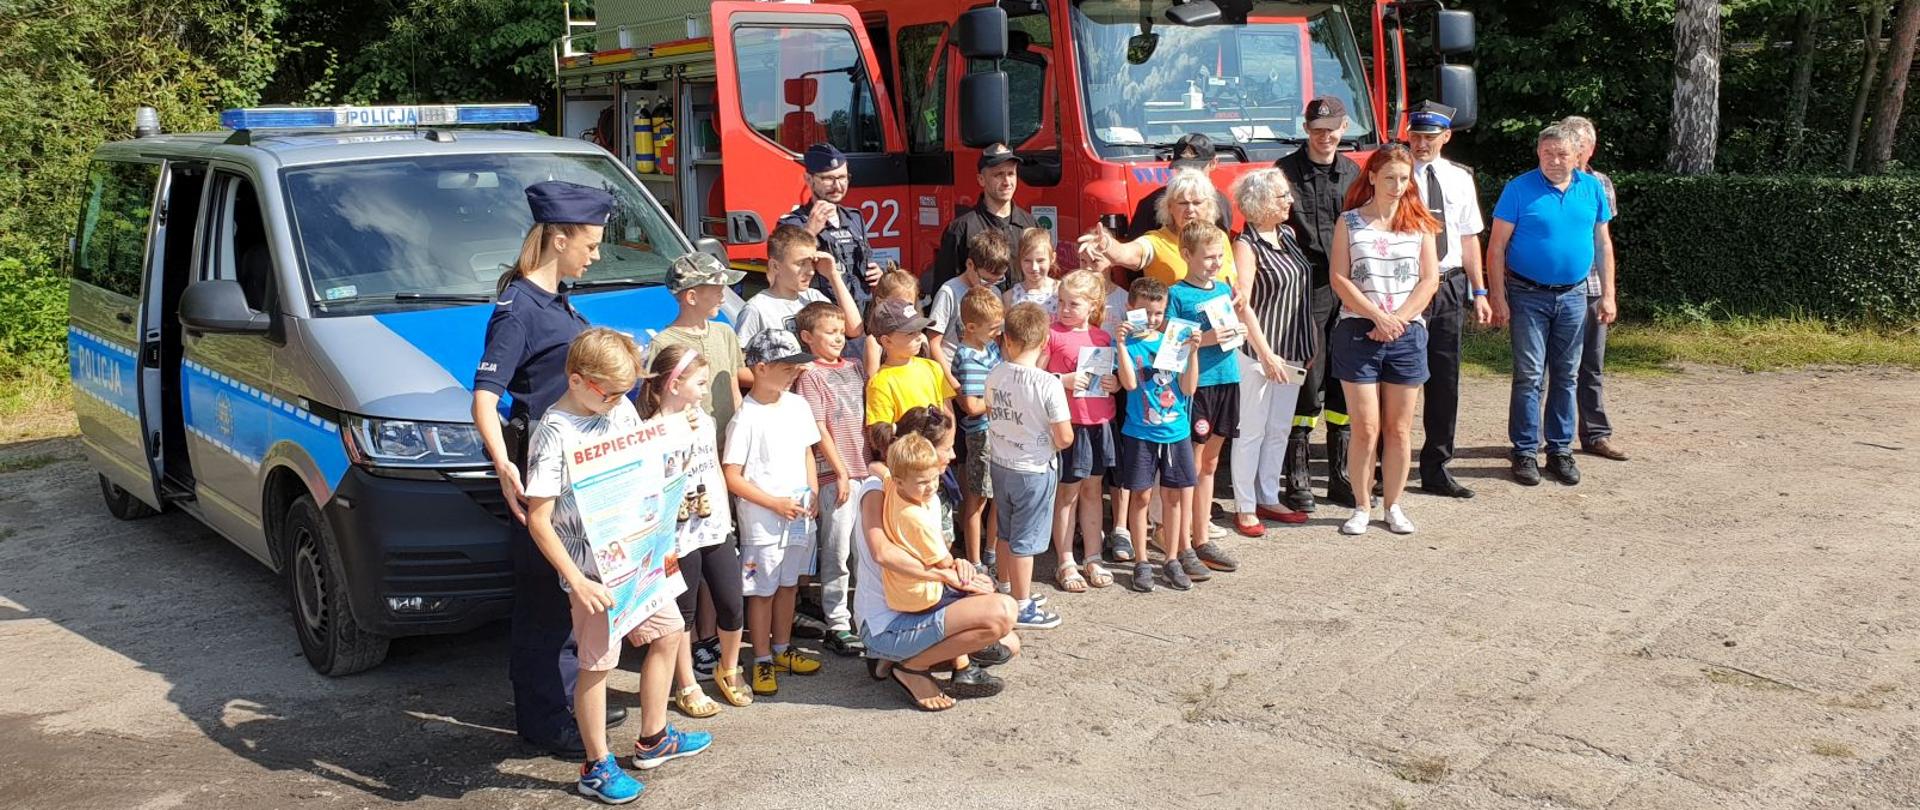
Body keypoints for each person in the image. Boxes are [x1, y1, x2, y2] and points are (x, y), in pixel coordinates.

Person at [522, 327, 712, 803]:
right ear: (578, 379)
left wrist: (672, 434)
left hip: (638, 557)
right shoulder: (554, 433)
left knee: (669, 633)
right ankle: (596, 764)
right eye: (609, 394)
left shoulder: (619, 405)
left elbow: (641, 455)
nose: (616, 403)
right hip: (592, 574)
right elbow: (538, 520)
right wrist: (576, 582)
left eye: (623, 393)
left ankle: (654, 737)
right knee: (598, 664)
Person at [472, 180, 621, 757]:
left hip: (577, 470)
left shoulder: (558, 301)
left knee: (567, 598)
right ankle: (543, 719)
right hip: (543, 472)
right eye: (591, 242)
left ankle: (566, 710)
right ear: (559, 238)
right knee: (543, 603)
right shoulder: (518, 309)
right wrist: (505, 464)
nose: (597, 253)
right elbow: (486, 396)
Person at [1487, 124, 1616, 487]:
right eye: (1547, 154)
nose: (1555, 161)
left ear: (1578, 156)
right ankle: (1525, 450)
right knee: (1529, 375)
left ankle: (1560, 450)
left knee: (1567, 374)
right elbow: (1496, 247)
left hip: (1575, 295)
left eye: (1562, 154)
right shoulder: (1518, 189)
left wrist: (1608, 294)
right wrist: (1497, 296)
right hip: (1527, 295)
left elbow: (1603, 244)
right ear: (1538, 154)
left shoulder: (1592, 188)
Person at [854, 431, 1019, 712]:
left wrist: (958, 568)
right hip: (886, 621)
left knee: (1008, 641)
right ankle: (911, 667)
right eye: (948, 448)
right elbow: (883, 552)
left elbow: (876, 467)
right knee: (1000, 612)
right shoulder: (885, 496)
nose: (953, 455)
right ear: (902, 475)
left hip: (913, 605)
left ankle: (897, 659)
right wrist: (949, 574)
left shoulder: (902, 487)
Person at [1328, 145, 1441, 536]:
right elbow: (1339, 278)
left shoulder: (1420, 224)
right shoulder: (1350, 221)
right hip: (1358, 331)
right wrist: (1376, 316)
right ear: (1372, 176)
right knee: (1366, 427)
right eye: (1390, 177)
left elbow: (1429, 280)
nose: (1397, 186)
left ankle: (1393, 505)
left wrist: (1397, 321)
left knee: (1398, 429)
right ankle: (1361, 504)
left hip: (1406, 334)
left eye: (1404, 178)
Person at [634, 345, 750, 714]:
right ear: (673, 383)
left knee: (731, 602)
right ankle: (686, 683)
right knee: (682, 613)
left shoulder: (705, 420)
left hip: (714, 524)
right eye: (698, 383)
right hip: (676, 533)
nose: (703, 391)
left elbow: (713, 466)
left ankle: (729, 667)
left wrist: (726, 512)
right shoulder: (649, 431)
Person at [723, 328, 826, 696]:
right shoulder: (746, 417)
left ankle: (782, 648)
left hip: (798, 518)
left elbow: (806, 453)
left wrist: (812, 491)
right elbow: (732, 476)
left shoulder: (797, 405)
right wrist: (774, 504)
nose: (796, 372)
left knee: (787, 587)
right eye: (788, 366)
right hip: (764, 524)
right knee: (762, 591)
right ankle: (762, 658)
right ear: (761, 368)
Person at [1274, 96, 1364, 512]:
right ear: (1306, 128)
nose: (1324, 137)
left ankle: (1342, 477)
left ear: (1343, 128)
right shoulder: (1284, 173)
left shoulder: (1354, 174)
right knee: (1307, 382)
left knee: (1345, 379)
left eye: (1331, 129)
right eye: (1317, 129)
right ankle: (1298, 477)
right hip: (1305, 288)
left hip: (1347, 287)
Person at [1406, 100, 1491, 499]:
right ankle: (1383, 465)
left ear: (1446, 136)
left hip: (1450, 284)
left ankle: (1437, 467)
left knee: (1445, 380)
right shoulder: (1394, 174)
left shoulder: (1459, 179)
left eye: (1429, 136)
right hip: (1404, 287)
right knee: (1397, 378)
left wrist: (1480, 290)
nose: (1421, 143)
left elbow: (1469, 237)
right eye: (1415, 135)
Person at [1226, 168, 1317, 536]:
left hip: (1293, 346)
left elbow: (1301, 293)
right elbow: (1242, 303)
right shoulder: (1245, 245)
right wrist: (1265, 353)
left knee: (1279, 428)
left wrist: (1306, 343)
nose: (1289, 201)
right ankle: (1245, 505)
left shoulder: (1289, 235)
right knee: (1250, 429)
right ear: (1260, 202)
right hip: (1257, 349)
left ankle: (1268, 494)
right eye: (1281, 196)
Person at [1163, 222, 1246, 576]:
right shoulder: (1177, 294)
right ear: (1186, 255)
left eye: (1219, 256)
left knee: (1210, 463)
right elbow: (1170, 345)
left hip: (1229, 378)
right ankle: (1181, 543)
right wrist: (1207, 338)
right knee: (1191, 465)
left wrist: (1237, 330)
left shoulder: (1225, 288)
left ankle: (1201, 536)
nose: (1215, 263)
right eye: (1208, 257)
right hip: (1198, 385)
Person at [1113, 277, 1204, 592]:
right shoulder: (1128, 343)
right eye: (1145, 312)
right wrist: (1122, 345)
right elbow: (1129, 384)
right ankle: (1140, 560)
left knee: (1174, 496)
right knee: (1140, 495)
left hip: (1175, 431)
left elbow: (1189, 388)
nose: (1152, 319)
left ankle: (1171, 558)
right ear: (1131, 309)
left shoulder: (1174, 341)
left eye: (1158, 312)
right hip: (1139, 431)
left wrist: (1193, 353)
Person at [986, 302, 1073, 629]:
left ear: (1006, 339)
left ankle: (1007, 589)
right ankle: (1022, 606)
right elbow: (1064, 437)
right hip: (1034, 469)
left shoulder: (996, 373)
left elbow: (992, 410)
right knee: (1026, 540)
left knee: (1006, 532)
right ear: (1044, 341)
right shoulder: (1047, 383)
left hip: (1001, 462)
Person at [791, 302, 870, 658]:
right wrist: (838, 471)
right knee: (837, 550)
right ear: (807, 337)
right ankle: (838, 621)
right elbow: (817, 426)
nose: (839, 338)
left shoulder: (854, 367)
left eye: (840, 332)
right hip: (834, 475)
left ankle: (866, 614)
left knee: (863, 549)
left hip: (865, 469)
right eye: (829, 332)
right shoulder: (809, 374)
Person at [1044, 270, 1121, 593]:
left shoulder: (1102, 338)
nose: (1064, 309)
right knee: (1067, 493)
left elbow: (1115, 379)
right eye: (1061, 302)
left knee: (1093, 491)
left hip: (1099, 421)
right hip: (1069, 424)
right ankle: (1065, 559)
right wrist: (1064, 380)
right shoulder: (1051, 334)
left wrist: (1113, 384)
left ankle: (1092, 555)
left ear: (1093, 305)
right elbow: (1035, 374)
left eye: (1073, 304)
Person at [1559, 115, 1628, 463]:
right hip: (1553, 290)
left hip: (1591, 286)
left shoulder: (1600, 183)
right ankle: (1542, 439)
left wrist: (1608, 293)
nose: (1583, 151)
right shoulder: (1542, 182)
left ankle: (1596, 434)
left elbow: (1604, 242)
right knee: (1544, 369)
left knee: (1591, 365)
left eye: (1585, 145)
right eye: (1578, 145)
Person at [1076, 167, 1238, 289]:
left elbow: (1233, 283)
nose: (1190, 209)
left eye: (1197, 203)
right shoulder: (1155, 242)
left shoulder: (1220, 238)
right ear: (1169, 207)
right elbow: (1127, 254)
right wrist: (1107, 245)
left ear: (1209, 206)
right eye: (1182, 203)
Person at [644, 253, 748, 434]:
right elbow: (654, 401)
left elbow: (734, 389)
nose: (723, 298)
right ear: (691, 297)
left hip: (729, 441)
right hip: (689, 445)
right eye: (717, 292)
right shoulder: (662, 343)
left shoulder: (725, 333)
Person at [925, 143, 1038, 296]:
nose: (1007, 182)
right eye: (998, 175)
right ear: (981, 180)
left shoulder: (1030, 224)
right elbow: (945, 291)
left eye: (1011, 174)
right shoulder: (961, 230)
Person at [777, 143, 880, 309]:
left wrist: (878, 273)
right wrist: (809, 232)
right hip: (821, 319)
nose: (838, 186)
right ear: (809, 179)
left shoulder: (854, 218)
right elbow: (783, 271)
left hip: (861, 315)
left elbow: (866, 261)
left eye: (842, 178)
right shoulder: (792, 223)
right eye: (828, 179)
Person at [736, 224, 863, 347]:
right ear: (775, 266)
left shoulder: (815, 297)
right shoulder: (757, 309)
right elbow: (742, 358)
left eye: (812, 262)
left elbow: (855, 330)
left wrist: (833, 275)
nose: (811, 271)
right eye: (801, 263)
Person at [952, 288, 1005, 570]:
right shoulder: (969, 357)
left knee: (996, 494)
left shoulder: (989, 347)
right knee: (978, 498)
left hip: (997, 429)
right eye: (993, 327)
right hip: (981, 432)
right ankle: (974, 560)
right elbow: (972, 406)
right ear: (971, 327)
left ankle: (991, 550)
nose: (998, 332)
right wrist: (1001, 398)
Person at [865, 299, 956, 438]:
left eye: (919, 331)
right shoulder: (880, 383)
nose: (919, 337)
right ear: (887, 341)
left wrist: (947, 446)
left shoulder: (933, 367)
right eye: (910, 333)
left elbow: (947, 412)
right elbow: (881, 434)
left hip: (938, 451)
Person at [1126, 132, 1234, 241]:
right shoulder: (1152, 203)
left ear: (1213, 163)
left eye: (1196, 168)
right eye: (1182, 168)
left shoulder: (1221, 202)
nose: (1188, 173)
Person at [927, 230, 1012, 365]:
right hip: (954, 370)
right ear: (970, 265)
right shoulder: (949, 292)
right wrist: (950, 380)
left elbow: (996, 338)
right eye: (985, 280)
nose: (990, 286)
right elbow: (933, 342)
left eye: (997, 280)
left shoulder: (994, 292)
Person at [1004, 227, 1061, 316]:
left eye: (1040, 260)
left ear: (1052, 258)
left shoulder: (1061, 291)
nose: (1034, 267)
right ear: (1020, 260)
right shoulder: (1010, 297)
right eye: (1027, 260)